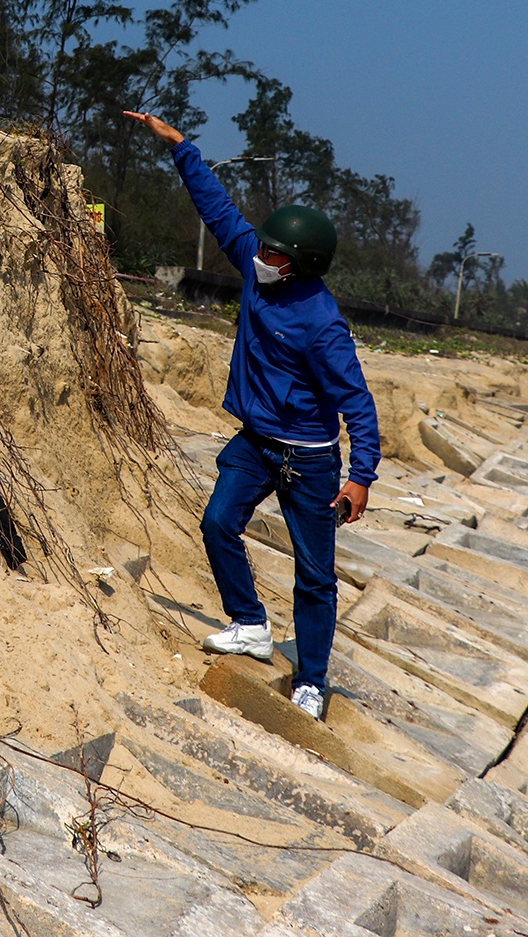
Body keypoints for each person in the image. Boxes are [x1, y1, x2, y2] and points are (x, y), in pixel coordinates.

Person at [125, 111, 381, 721]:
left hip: (310, 460)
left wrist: (361, 477)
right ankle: (250, 625)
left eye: (274, 253)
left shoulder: (321, 322)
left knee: (315, 574)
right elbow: (219, 211)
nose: (260, 256)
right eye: (262, 247)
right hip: (256, 440)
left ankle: (312, 680)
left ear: (303, 263)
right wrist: (181, 148)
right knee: (218, 523)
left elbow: (358, 402)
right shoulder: (254, 269)